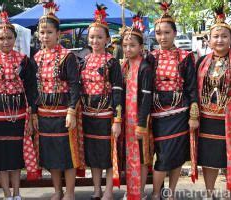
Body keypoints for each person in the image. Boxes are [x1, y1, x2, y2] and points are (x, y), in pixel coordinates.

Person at [0, 6, 40, 200]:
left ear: (15, 39)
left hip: (19, 114)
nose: (6, 42)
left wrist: (32, 116)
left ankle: (17, 193)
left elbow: (31, 90)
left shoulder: (24, 61)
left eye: (9, 38)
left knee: (16, 156)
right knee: (1, 157)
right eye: (1, 38)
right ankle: (6, 194)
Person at [196, 5, 231, 199]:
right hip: (206, 119)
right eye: (216, 36)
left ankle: (230, 194)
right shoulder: (202, 62)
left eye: (224, 36)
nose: (219, 40)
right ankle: (209, 193)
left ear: (230, 39)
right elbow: (194, 90)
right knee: (208, 158)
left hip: (230, 120)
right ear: (209, 40)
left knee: (229, 157)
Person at [150, 2, 199, 199]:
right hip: (158, 115)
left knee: (177, 155)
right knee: (163, 156)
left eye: (167, 33)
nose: (163, 37)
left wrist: (193, 115)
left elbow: (192, 87)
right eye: (159, 33)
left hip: (179, 113)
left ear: (175, 33)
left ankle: (170, 192)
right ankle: (155, 193)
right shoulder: (150, 58)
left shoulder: (186, 57)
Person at [32, 3, 80, 200]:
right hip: (44, 113)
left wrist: (71, 111)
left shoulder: (67, 57)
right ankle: (57, 191)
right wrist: (34, 112)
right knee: (51, 155)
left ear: (58, 34)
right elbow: (33, 87)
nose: (45, 36)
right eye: (42, 32)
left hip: (63, 112)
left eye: (49, 32)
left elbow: (75, 85)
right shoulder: (37, 57)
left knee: (66, 155)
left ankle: (69, 192)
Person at [79, 4, 123, 200]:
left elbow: (117, 91)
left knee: (107, 155)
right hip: (88, 114)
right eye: (92, 37)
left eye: (99, 37)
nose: (95, 40)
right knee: (93, 156)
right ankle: (96, 189)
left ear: (107, 39)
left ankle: (108, 190)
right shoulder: (84, 60)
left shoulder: (112, 62)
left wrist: (116, 118)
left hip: (106, 114)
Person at [121, 12, 154, 200]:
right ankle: (131, 189)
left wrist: (141, 123)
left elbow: (146, 98)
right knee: (128, 155)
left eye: (132, 45)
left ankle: (139, 192)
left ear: (141, 47)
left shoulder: (145, 68)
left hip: (140, 120)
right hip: (127, 119)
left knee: (141, 157)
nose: (128, 49)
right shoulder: (124, 66)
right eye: (125, 46)